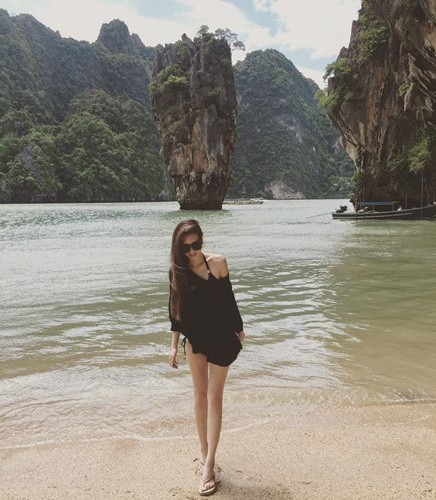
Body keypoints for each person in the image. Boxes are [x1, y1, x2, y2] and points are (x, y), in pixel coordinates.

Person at [168, 219, 245, 496]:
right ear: (178, 248)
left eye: (196, 244)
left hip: (222, 336)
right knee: (200, 396)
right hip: (195, 339)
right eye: (186, 247)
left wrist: (240, 330)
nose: (192, 251)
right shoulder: (177, 271)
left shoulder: (218, 263)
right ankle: (203, 451)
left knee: (215, 397)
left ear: (202, 240)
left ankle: (210, 463)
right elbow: (175, 311)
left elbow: (229, 300)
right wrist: (173, 346)